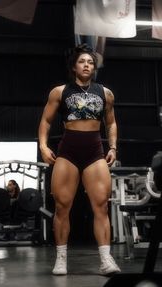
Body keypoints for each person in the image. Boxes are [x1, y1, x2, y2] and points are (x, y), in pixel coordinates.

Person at [38, 44, 121, 276]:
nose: (87, 65)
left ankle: (106, 260)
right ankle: (61, 259)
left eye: (91, 62)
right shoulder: (59, 91)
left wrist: (113, 147)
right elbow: (45, 121)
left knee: (101, 206)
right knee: (62, 207)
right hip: (68, 151)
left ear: (94, 68)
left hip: (95, 151)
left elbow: (111, 122)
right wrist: (43, 146)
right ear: (74, 67)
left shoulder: (105, 93)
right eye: (83, 61)